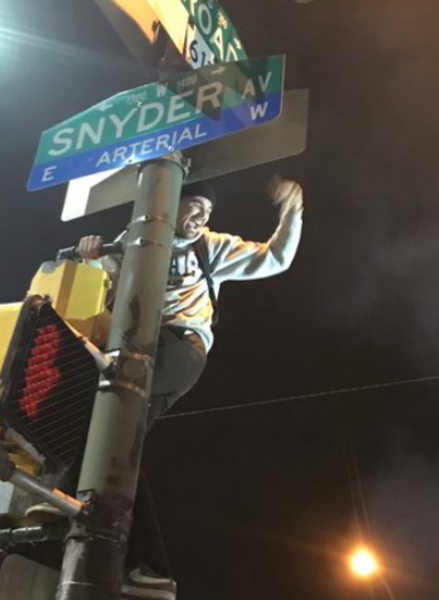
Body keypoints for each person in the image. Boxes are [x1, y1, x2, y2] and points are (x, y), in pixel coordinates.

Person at [75, 176, 304, 600]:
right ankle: (147, 567)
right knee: (112, 446)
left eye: (208, 211)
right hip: (133, 349)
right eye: (195, 206)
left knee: (104, 423)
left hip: (179, 347)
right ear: (169, 204)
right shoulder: (132, 241)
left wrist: (293, 211)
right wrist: (91, 257)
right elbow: (101, 290)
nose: (202, 216)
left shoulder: (209, 246)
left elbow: (275, 258)